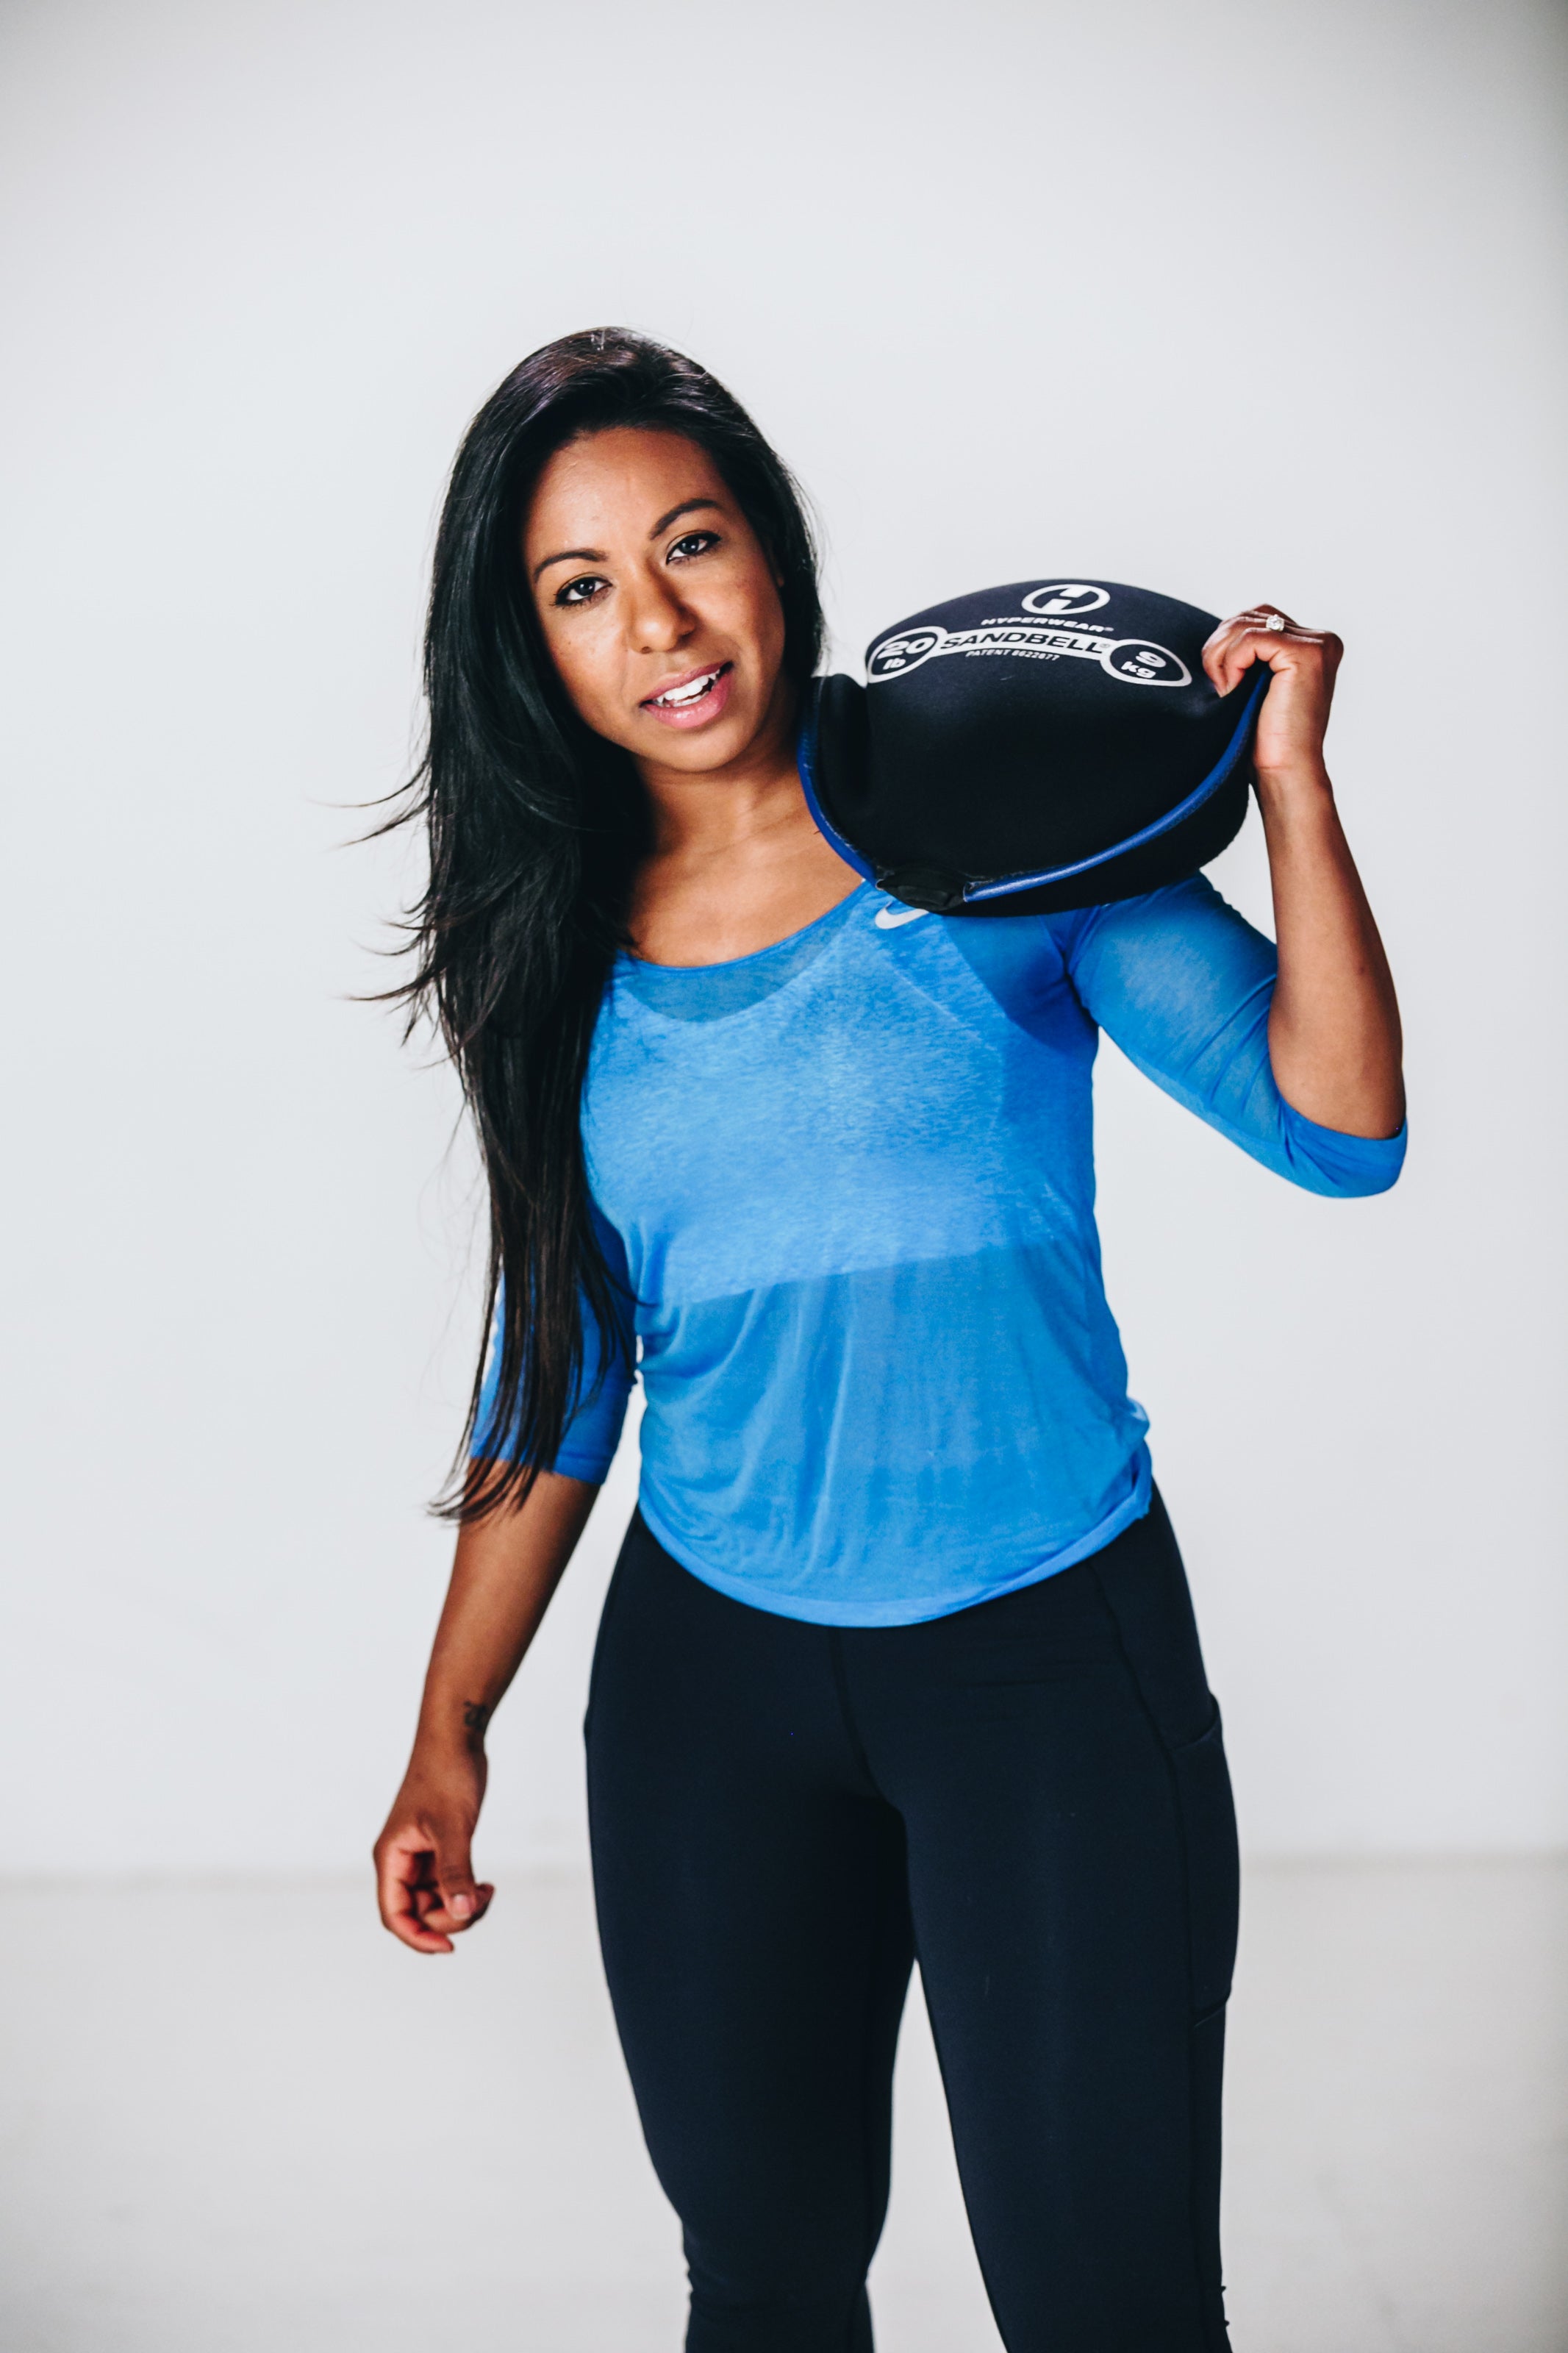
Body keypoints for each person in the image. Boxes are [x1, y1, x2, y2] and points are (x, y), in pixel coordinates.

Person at [372, 328, 1405, 2353]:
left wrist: (1283, 790)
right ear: (530, 650)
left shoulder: (998, 814)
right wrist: (449, 1730)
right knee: (762, 2286)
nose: (658, 621)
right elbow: (560, 1377)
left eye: (693, 543)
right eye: (582, 589)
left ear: (774, 547)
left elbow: (1342, 1129)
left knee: (1104, 2308)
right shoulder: (552, 949)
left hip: (1049, 1674)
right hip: (710, 1698)